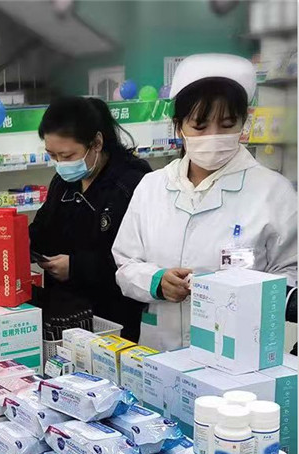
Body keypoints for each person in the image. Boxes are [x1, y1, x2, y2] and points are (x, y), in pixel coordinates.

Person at [112, 54, 297, 352]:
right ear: (178, 127)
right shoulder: (151, 187)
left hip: (239, 351)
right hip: (161, 348)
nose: (214, 137)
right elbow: (126, 264)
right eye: (199, 126)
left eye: (227, 125)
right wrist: (157, 282)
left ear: (243, 124)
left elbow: (290, 275)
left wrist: (237, 292)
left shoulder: (273, 191)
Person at [29, 96, 151, 341]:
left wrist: (76, 268)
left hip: (113, 315)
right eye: (52, 156)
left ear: (96, 143)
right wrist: (21, 244)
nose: (60, 164)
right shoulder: (64, 182)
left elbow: (138, 259)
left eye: (67, 156)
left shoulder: (132, 184)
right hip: (64, 312)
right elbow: (43, 226)